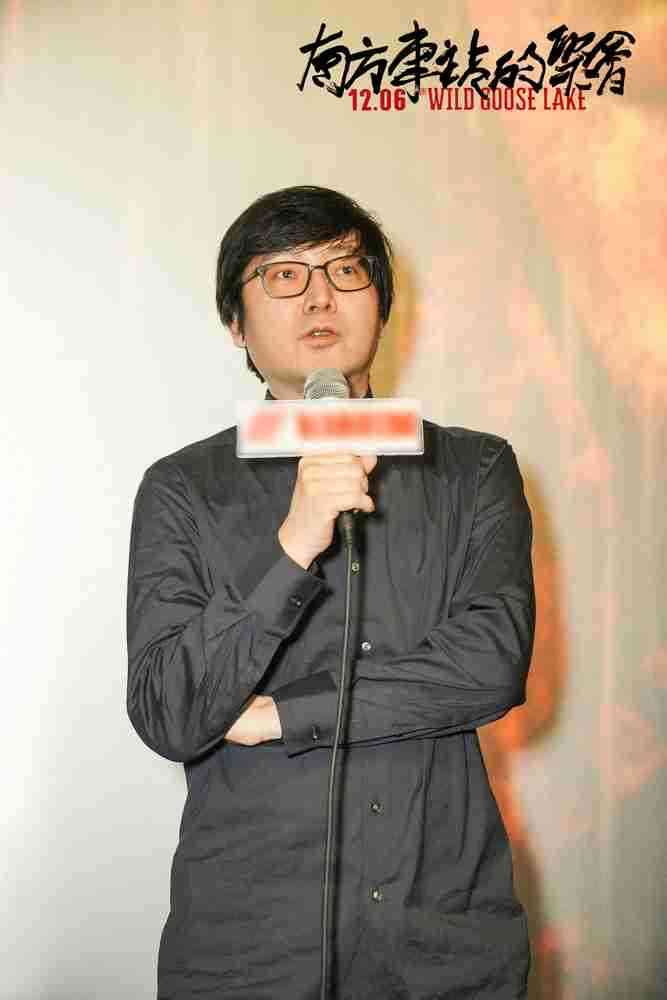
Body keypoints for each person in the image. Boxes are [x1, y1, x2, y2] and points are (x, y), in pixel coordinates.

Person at [126, 185, 536, 999]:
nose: (318, 296)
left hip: (443, 941)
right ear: (235, 323)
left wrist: (282, 715)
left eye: (344, 271)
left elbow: (489, 664)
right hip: (250, 947)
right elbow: (170, 711)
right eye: (283, 275)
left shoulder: (474, 468)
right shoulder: (184, 488)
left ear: (381, 304)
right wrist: (293, 544)